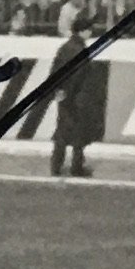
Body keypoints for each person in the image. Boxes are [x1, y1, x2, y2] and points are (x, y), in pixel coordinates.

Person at [46, 32, 112, 177]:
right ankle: (76, 167)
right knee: (79, 135)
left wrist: (57, 90)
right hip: (77, 98)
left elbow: (55, 70)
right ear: (83, 31)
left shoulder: (64, 48)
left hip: (63, 96)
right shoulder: (80, 50)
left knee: (62, 132)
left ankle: (56, 166)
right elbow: (78, 75)